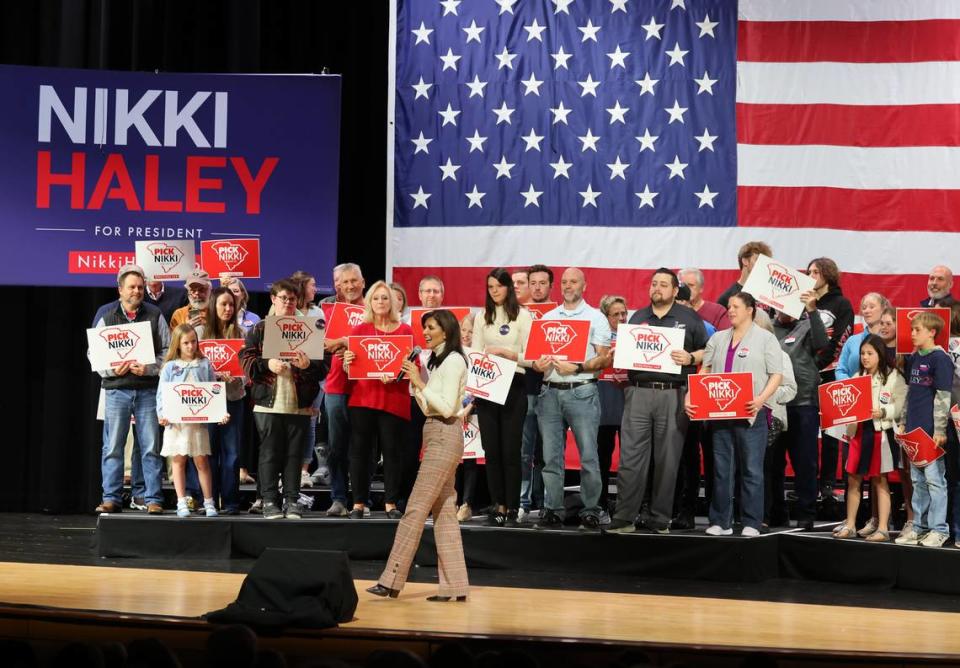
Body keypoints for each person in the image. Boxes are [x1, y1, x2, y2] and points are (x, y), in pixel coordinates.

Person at [367, 310, 469, 602]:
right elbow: (428, 408)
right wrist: (417, 382)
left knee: (414, 509)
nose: (425, 332)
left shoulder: (453, 361)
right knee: (445, 513)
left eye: (431, 328)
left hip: (444, 436)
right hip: (437, 433)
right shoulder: (439, 362)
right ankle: (456, 587)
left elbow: (448, 408)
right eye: (424, 328)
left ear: (446, 331)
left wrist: (421, 384)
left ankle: (391, 579)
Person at [606, 269, 709, 535]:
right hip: (637, 391)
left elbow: (710, 351)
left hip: (673, 393)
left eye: (664, 285)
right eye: (654, 284)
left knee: (667, 458)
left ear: (675, 291)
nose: (657, 288)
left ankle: (660, 519)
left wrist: (691, 357)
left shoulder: (690, 318)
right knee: (630, 457)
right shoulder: (638, 317)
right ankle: (624, 517)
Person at [688, 292, 783, 536]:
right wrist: (691, 397)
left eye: (736, 306)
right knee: (721, 469)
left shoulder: (765, 339)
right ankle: (721, 521)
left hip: (751, 414)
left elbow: (776, 374)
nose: (730, 310)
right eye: (729, 306)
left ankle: (751, 522)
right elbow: (705, 371)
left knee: (751, 470)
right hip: (720, 414)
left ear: (750, 309)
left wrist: (761, 400)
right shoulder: (718, 339)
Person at [533, 268, 612, 531]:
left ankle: (591, 509)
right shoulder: (548, 318)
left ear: (584, 285)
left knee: (589, 455)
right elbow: (537, 359)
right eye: (564, 282)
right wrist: (539, 363)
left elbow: (605, 358)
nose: (568, 286)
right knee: (550, 457)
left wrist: (577, 367)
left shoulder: (596, 318)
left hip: (582, 390)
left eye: (573, 281)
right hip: (549, 391)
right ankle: (553, 508)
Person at [239, 279, 326, 519]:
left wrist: (308, 366)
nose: (288, 303)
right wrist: (268, 363)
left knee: (294, 455)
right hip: (268, 403)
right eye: (283, 298)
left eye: (292, 299)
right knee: (269, 453)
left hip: (299, 403)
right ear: (273, 299)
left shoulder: (311, 328)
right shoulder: (260, 328)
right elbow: (246, 360)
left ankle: (292, 501)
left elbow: (323, 368)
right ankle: (269, 501)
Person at [93, 264, 170, 514]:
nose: (137, 291)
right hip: (116, 390)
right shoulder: (105, 314)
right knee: (113, 447)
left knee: (149, 447)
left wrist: (149, 368)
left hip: (147, 389)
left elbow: (168, 351)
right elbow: (93, 352)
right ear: (120, 290)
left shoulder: (155, 313)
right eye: (132, 287)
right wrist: (111, 370)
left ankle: (153, 499)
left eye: (140, 287)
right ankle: (111, 498)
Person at [342, 281, 415, 519]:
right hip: (363, 399)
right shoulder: (360, 330)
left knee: (393, 452)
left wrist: (396, 374)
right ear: (369, 302)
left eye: (385, 298)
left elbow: (415, 366)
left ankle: (391, 503)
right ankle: (359, 503)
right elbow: (348, 368)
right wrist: (347, 360)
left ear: (393, 302)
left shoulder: (405, 331)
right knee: (361, 453)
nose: (381, 302)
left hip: (394, 399)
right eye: (376, 298)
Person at [471, 268, 533, 526]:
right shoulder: (481, 317)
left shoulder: (523, 316)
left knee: (510, 451)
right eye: (490, 286)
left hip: (514, 385)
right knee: (491, 450)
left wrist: (509, 355)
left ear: (509, 287)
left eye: (498, 285)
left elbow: (531, 357)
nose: (494, 290)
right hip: (487, 385)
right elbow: (474, 353)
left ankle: (513, 506)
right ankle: (498, 503)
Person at [835, 336, 906, 542]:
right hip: (858, 433)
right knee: (853, 479)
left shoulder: (893, 376)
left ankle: (883, 528)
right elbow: (846, 404)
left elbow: (901, 405)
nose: (865, 357)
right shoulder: (857, 375)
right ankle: (849, 524)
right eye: (863, 354)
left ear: (880, 354)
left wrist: (883, 411)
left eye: (870, 353)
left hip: (880, 434)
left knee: (880, 479)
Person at [771, 289, 830, 530]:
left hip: (803, 402)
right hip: (774, 404)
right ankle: (776, 512)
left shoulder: (808, 325)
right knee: (772, 463)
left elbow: (822, 344)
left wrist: (812, 310)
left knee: (805, 462)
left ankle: (806, 513)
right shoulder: (765, 328)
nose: (784, 309)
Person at [157, 324, 228, 518]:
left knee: (202, 461)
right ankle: (181, 502)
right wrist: (161, 414)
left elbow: (213, 391)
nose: (190, 346)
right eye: (186, 343)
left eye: (193, 342)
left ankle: (209, 502)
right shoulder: (170, 367)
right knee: (178, 460)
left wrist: (221, 412)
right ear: (178, 345)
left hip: (197, 424)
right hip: (176, 424)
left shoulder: (204, 364)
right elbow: (161, 395)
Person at [895, 312, 954, 547]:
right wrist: (903, 422)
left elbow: (943, 397)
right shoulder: (915, 357)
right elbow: (911, 393)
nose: (912, 334)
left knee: (935, 481)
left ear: (932, 332)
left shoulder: (941, 359)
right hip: (914, 430)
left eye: (917, 329)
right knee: (918, 482)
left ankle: (939, 529)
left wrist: (939, 430)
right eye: (911, 329)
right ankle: (919, 528)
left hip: (931, 431)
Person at [806, 257, 854, 502]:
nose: (811, 275)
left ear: (828, 274)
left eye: (816, 271)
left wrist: (816, 365)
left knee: (831, 435)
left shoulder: (841, 304)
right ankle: (808, 484)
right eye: (809, 271)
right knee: (804, 433)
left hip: (830, 374)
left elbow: (841, 341)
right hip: (804, 377)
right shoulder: (802, 301)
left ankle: (827, 485)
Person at [321, 262, 366, 516]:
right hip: (336, 384)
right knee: (336, 445)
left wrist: (345, 341)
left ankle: (362, 500)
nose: (349, 286)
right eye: (344, 282)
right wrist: (331, 345)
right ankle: (338, 498)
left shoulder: (374, 309)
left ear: (363, 282)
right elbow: (319, 344)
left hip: (366, 386)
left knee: (363, 445)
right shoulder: (326, 311)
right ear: (337, 285)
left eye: (354, 281)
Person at [197, 287, 247, 514]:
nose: (227, 309)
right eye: (223, 304)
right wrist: (211, 375)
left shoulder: (242, 334)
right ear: (213, 306)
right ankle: (208, 500)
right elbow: (189, 367)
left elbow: (248, 370)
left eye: (231, 305)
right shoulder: (199, 334)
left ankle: (231, 502)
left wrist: (239, 376)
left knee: (232, 453)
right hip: (206, 401)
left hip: (233, 397)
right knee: (208, 452)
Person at [520, 264, 553, 518]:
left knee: (549, 451)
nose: (538, 287)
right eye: (534, 283)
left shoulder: (561, 314)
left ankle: (545, 504)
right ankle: (523, 502)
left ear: (550, 286)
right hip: (526, 388)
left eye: (543, 283)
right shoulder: (518, 314)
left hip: (554, 388)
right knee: (524, 450)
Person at [289, 270, 325, 490]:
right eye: (312, 285)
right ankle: (288, 469)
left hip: (312, 375)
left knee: (310, 422)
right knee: (290, 423)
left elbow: (320, 342)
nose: (316, 289)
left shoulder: (317, 311)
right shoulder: (285, 310)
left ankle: (303, 471)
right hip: (289, 376)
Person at [597, 295, 628, 515]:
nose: (621, 317)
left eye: (623, 313)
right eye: (615, 314)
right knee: (602, 454)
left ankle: (627, 504)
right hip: (604, 398)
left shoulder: (634, 335)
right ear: (606, 316)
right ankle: (600, 502)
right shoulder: (599, 337)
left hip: (628, 399)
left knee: (629, 456)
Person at [456, 315, 482, 521]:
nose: (466, 335)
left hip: (473, 413)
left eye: (471, 331)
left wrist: (470, 406)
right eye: (463, 330)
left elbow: (483, 386)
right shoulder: (452, 352)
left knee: (470, 459)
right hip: (452, 412)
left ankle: (467, 503)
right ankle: (452, 502)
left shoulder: (482, 355)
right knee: (452, 460)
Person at [835, 293, 891, 382]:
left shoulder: (891, 340)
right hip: (855, 392)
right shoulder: (852, 341)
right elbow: (840, 370)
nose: (866, 311)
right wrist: (852, 385)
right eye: (864, 308)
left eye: (871, 307)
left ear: (884, 309)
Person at [716, 241, 773, 308]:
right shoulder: (727, 298)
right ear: (745, 261)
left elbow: (773, 318)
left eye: (765, 262)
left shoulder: (771, 294)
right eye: (758, 260)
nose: (763, 265)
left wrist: (782, 318)